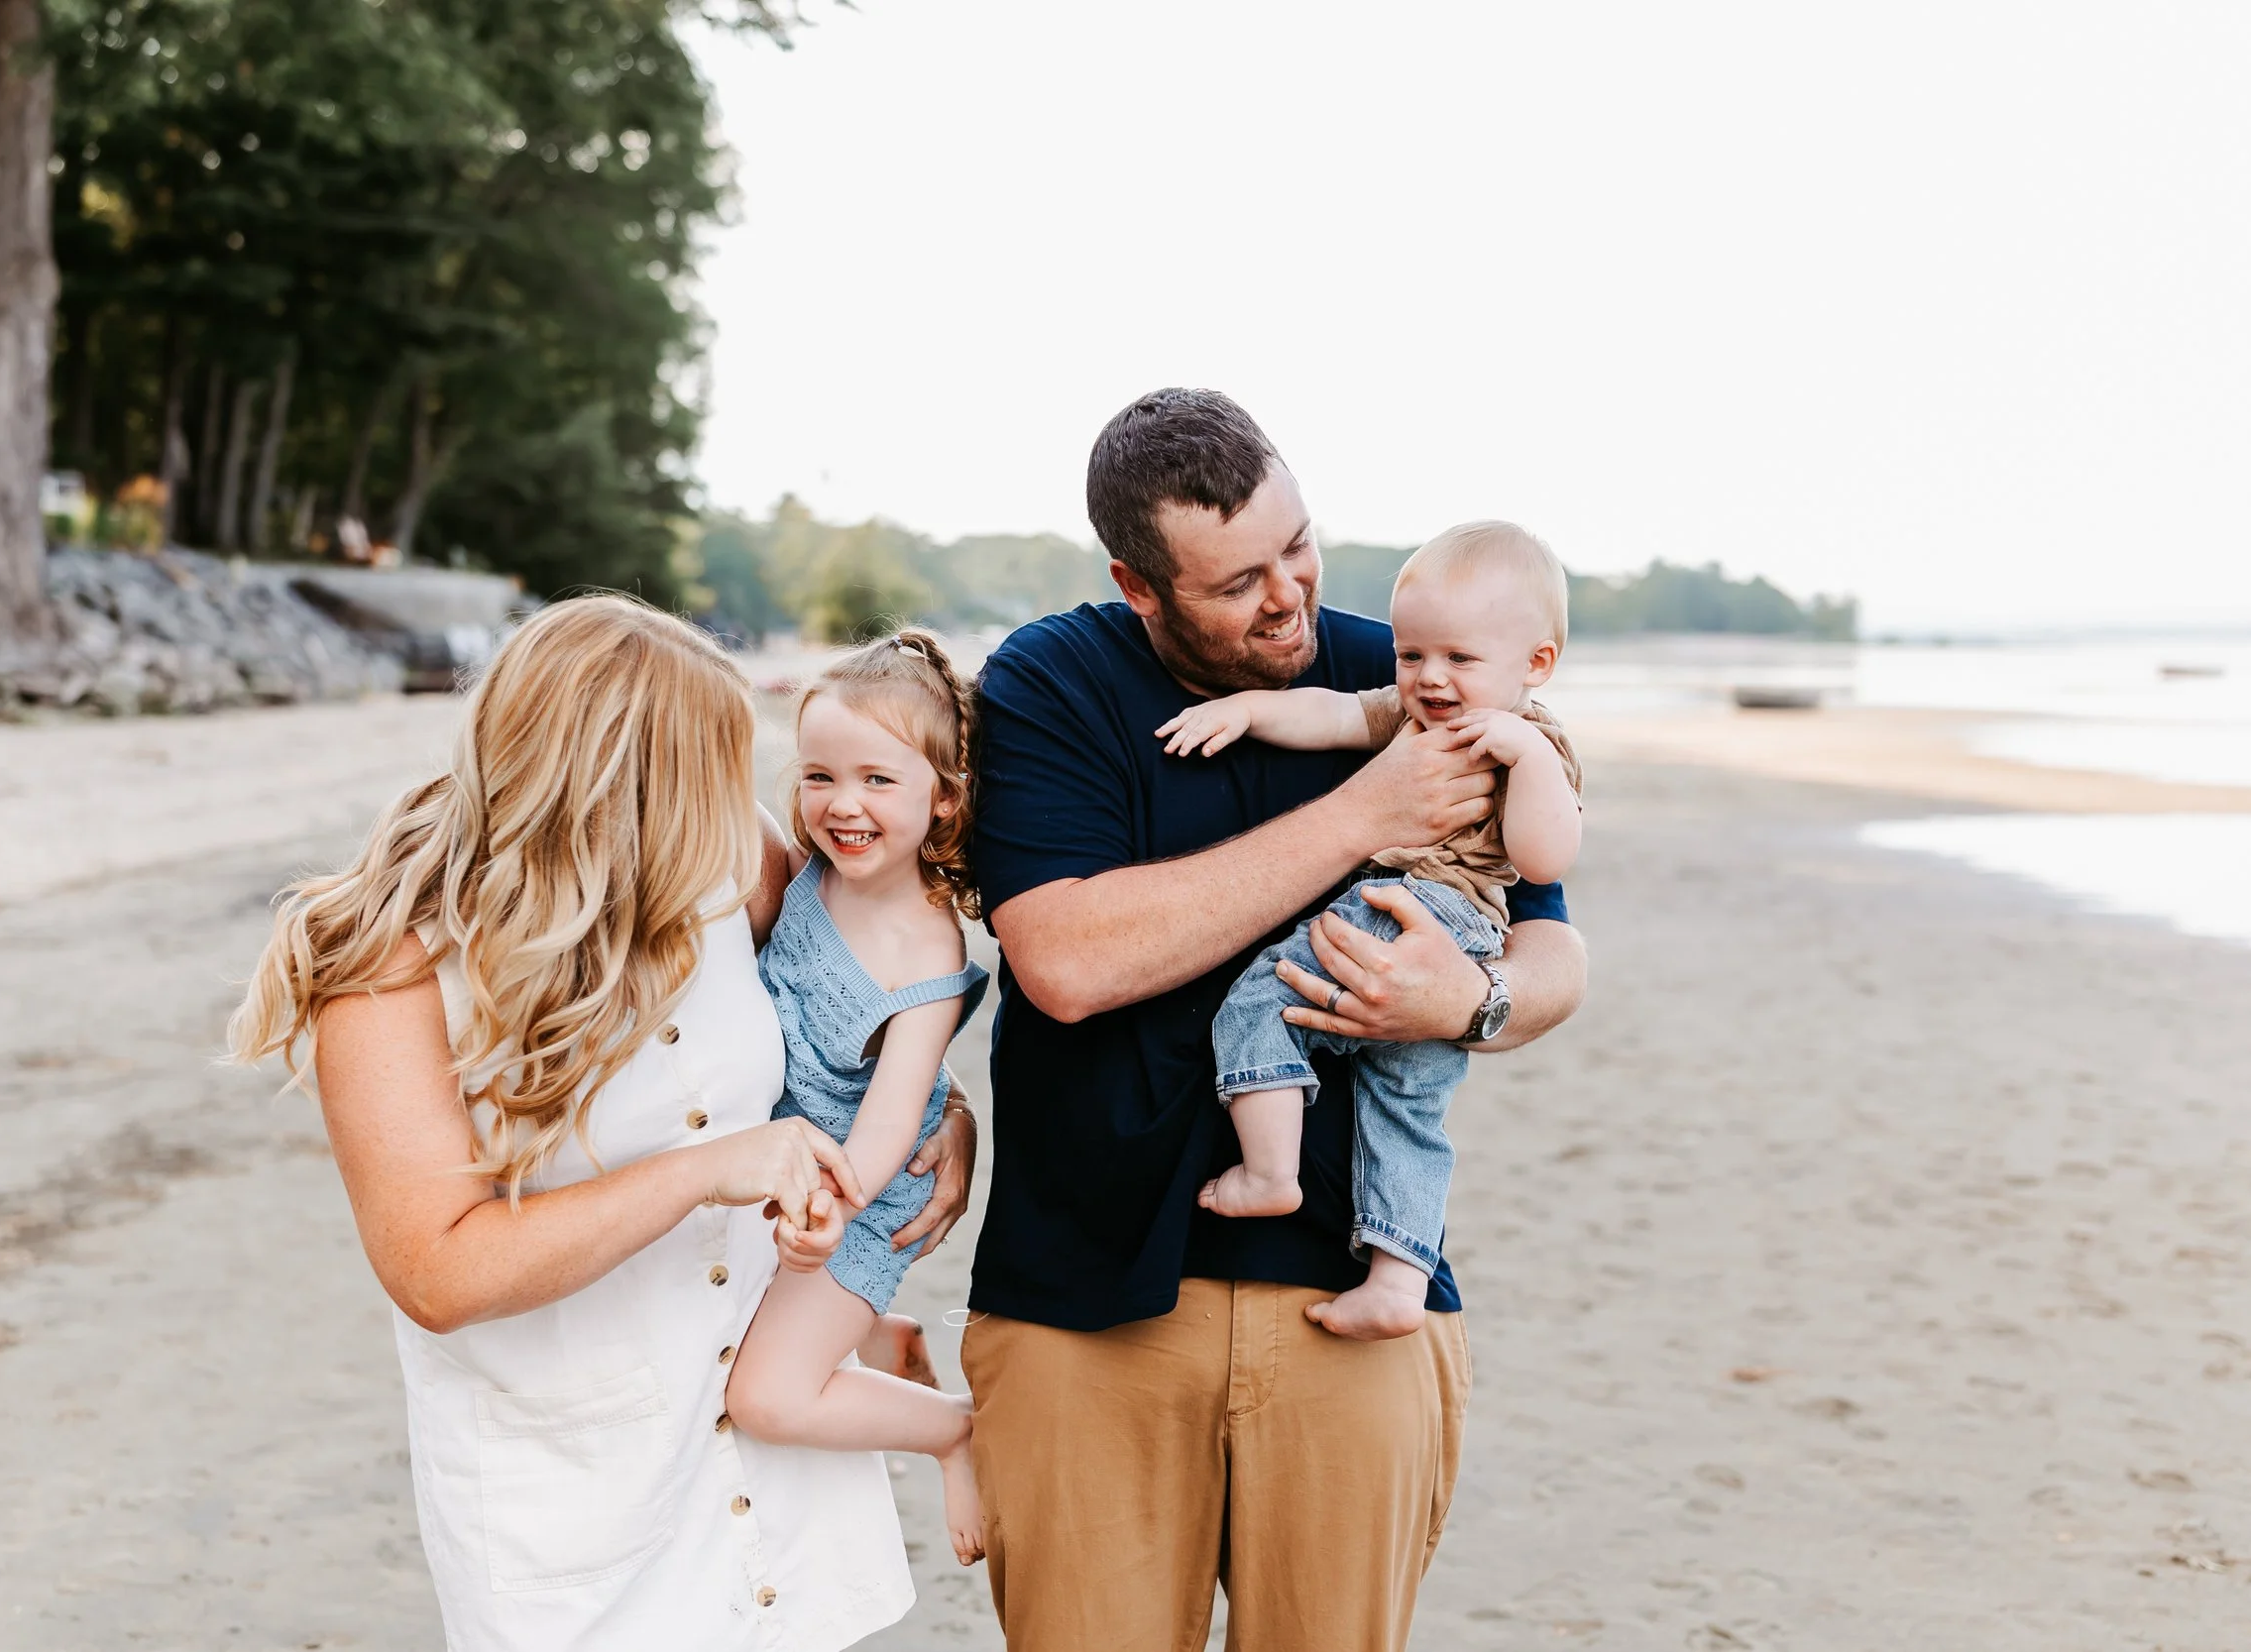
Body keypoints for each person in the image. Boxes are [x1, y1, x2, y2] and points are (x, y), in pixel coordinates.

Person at [959, 389, 1588, 1651]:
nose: (1289, 594)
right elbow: (1068, 961)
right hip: (1085, 1302)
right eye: (1239, 578)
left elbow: (1552, 944)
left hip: (1356, 1285)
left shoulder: (1412, 665)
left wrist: (1474, 1001)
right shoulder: (1050, 684)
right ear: (1140, 586)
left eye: (1297, 545)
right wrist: (1361, 815)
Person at [228, 595, 976, 1650]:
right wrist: (704, 1169)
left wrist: (942, 1108)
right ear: (599, 783)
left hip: (775, 1454)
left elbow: (855, 998)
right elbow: (438, 1273)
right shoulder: (391, 969)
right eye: (703, 771)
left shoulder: (727, 858)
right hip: (576, 1500)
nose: (736, 804)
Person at [1159, 520, 1584, 1340]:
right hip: (1434, 942)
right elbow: (1337, 716)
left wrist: (1526, 759)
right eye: (1411, 654)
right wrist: (1252, 709)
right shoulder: (1417, 717)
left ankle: (1269, 1168)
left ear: (1535, 665)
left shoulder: (1537, 742)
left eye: (1459, 659)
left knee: (1262, 995)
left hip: (1423, 915)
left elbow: (1543, 858)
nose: (1429, 679)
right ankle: (1397, 1278)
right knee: (1405, 1106)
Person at [725, 629, 992, 1568]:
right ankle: (882, 1334)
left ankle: (950, 1427)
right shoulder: (808, 877)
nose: (843, 805)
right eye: (819, 775)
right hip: (782, 1166)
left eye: (879, 780)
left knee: (767, 1395)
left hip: (857, 1198)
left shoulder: (928, 952)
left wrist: (826, 1210)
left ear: (943, 796)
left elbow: (885, 1128)